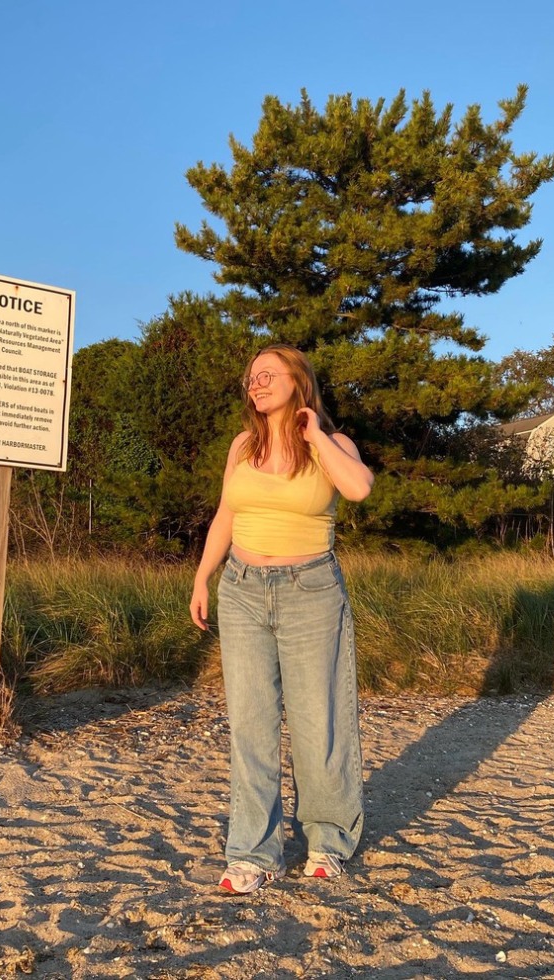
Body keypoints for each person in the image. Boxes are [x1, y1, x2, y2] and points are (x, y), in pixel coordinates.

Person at [190, 343, 374, 894]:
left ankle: (327, 842)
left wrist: (314, 433)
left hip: (311, 592)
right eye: (251, 377)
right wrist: (203, 576)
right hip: (242, 590)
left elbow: (359, 488)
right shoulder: (242, 445)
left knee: (320, 722)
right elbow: (227, 512)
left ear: (299, 381)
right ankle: (253, 853)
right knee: (251, 725)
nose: (257, 382)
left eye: (269, 374)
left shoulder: (333, 444)